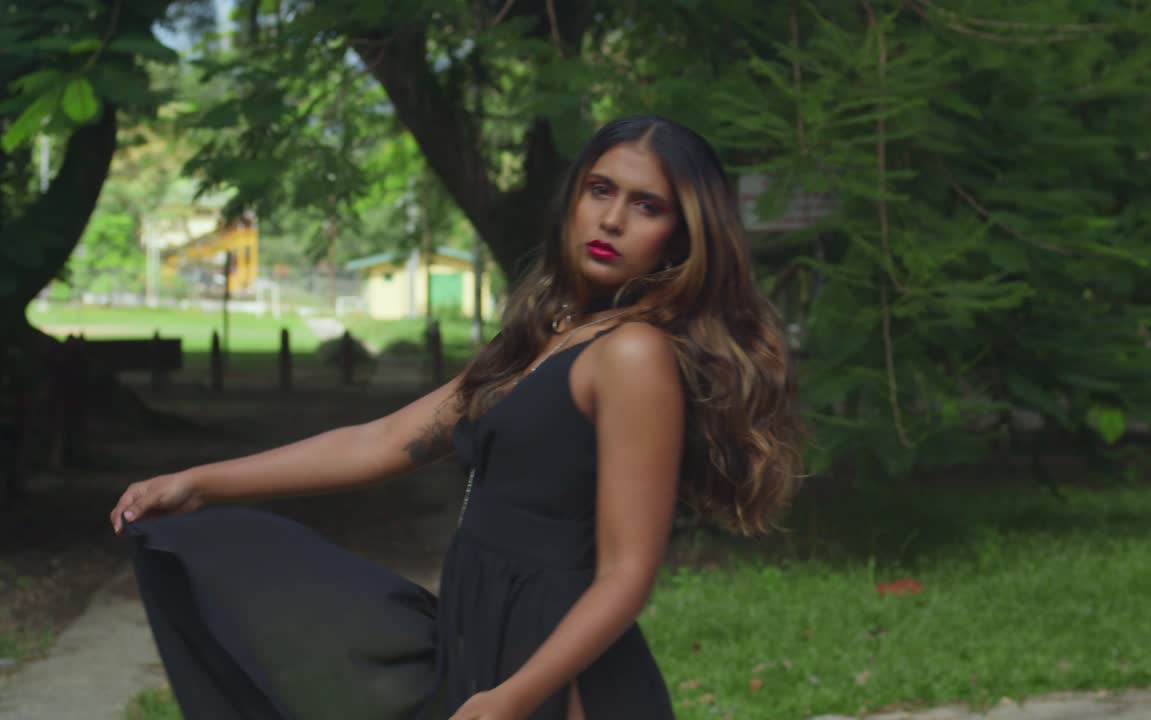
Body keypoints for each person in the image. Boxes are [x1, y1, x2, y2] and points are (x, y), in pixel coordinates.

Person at [109, 115, 804, 720]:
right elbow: (381, 442)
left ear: (683, 236)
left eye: (647, 205)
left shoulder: (632, 355)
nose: (613, 219)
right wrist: (200, 484)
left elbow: (626, 574)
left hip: (556, 669)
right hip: (479, 628)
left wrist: (515, 694)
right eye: (600, 190)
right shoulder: (554, 332)